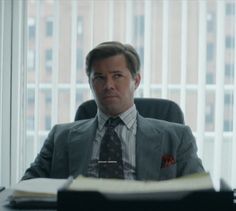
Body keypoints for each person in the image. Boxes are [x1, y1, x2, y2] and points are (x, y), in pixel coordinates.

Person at [22, 41, 204, 181]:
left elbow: (201, 195)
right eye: (99, 78)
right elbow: (26, 188)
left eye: (117, 76)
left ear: (136, 80)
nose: (108, 85)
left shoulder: (177, 138)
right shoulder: (60, 137)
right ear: (91, 84)